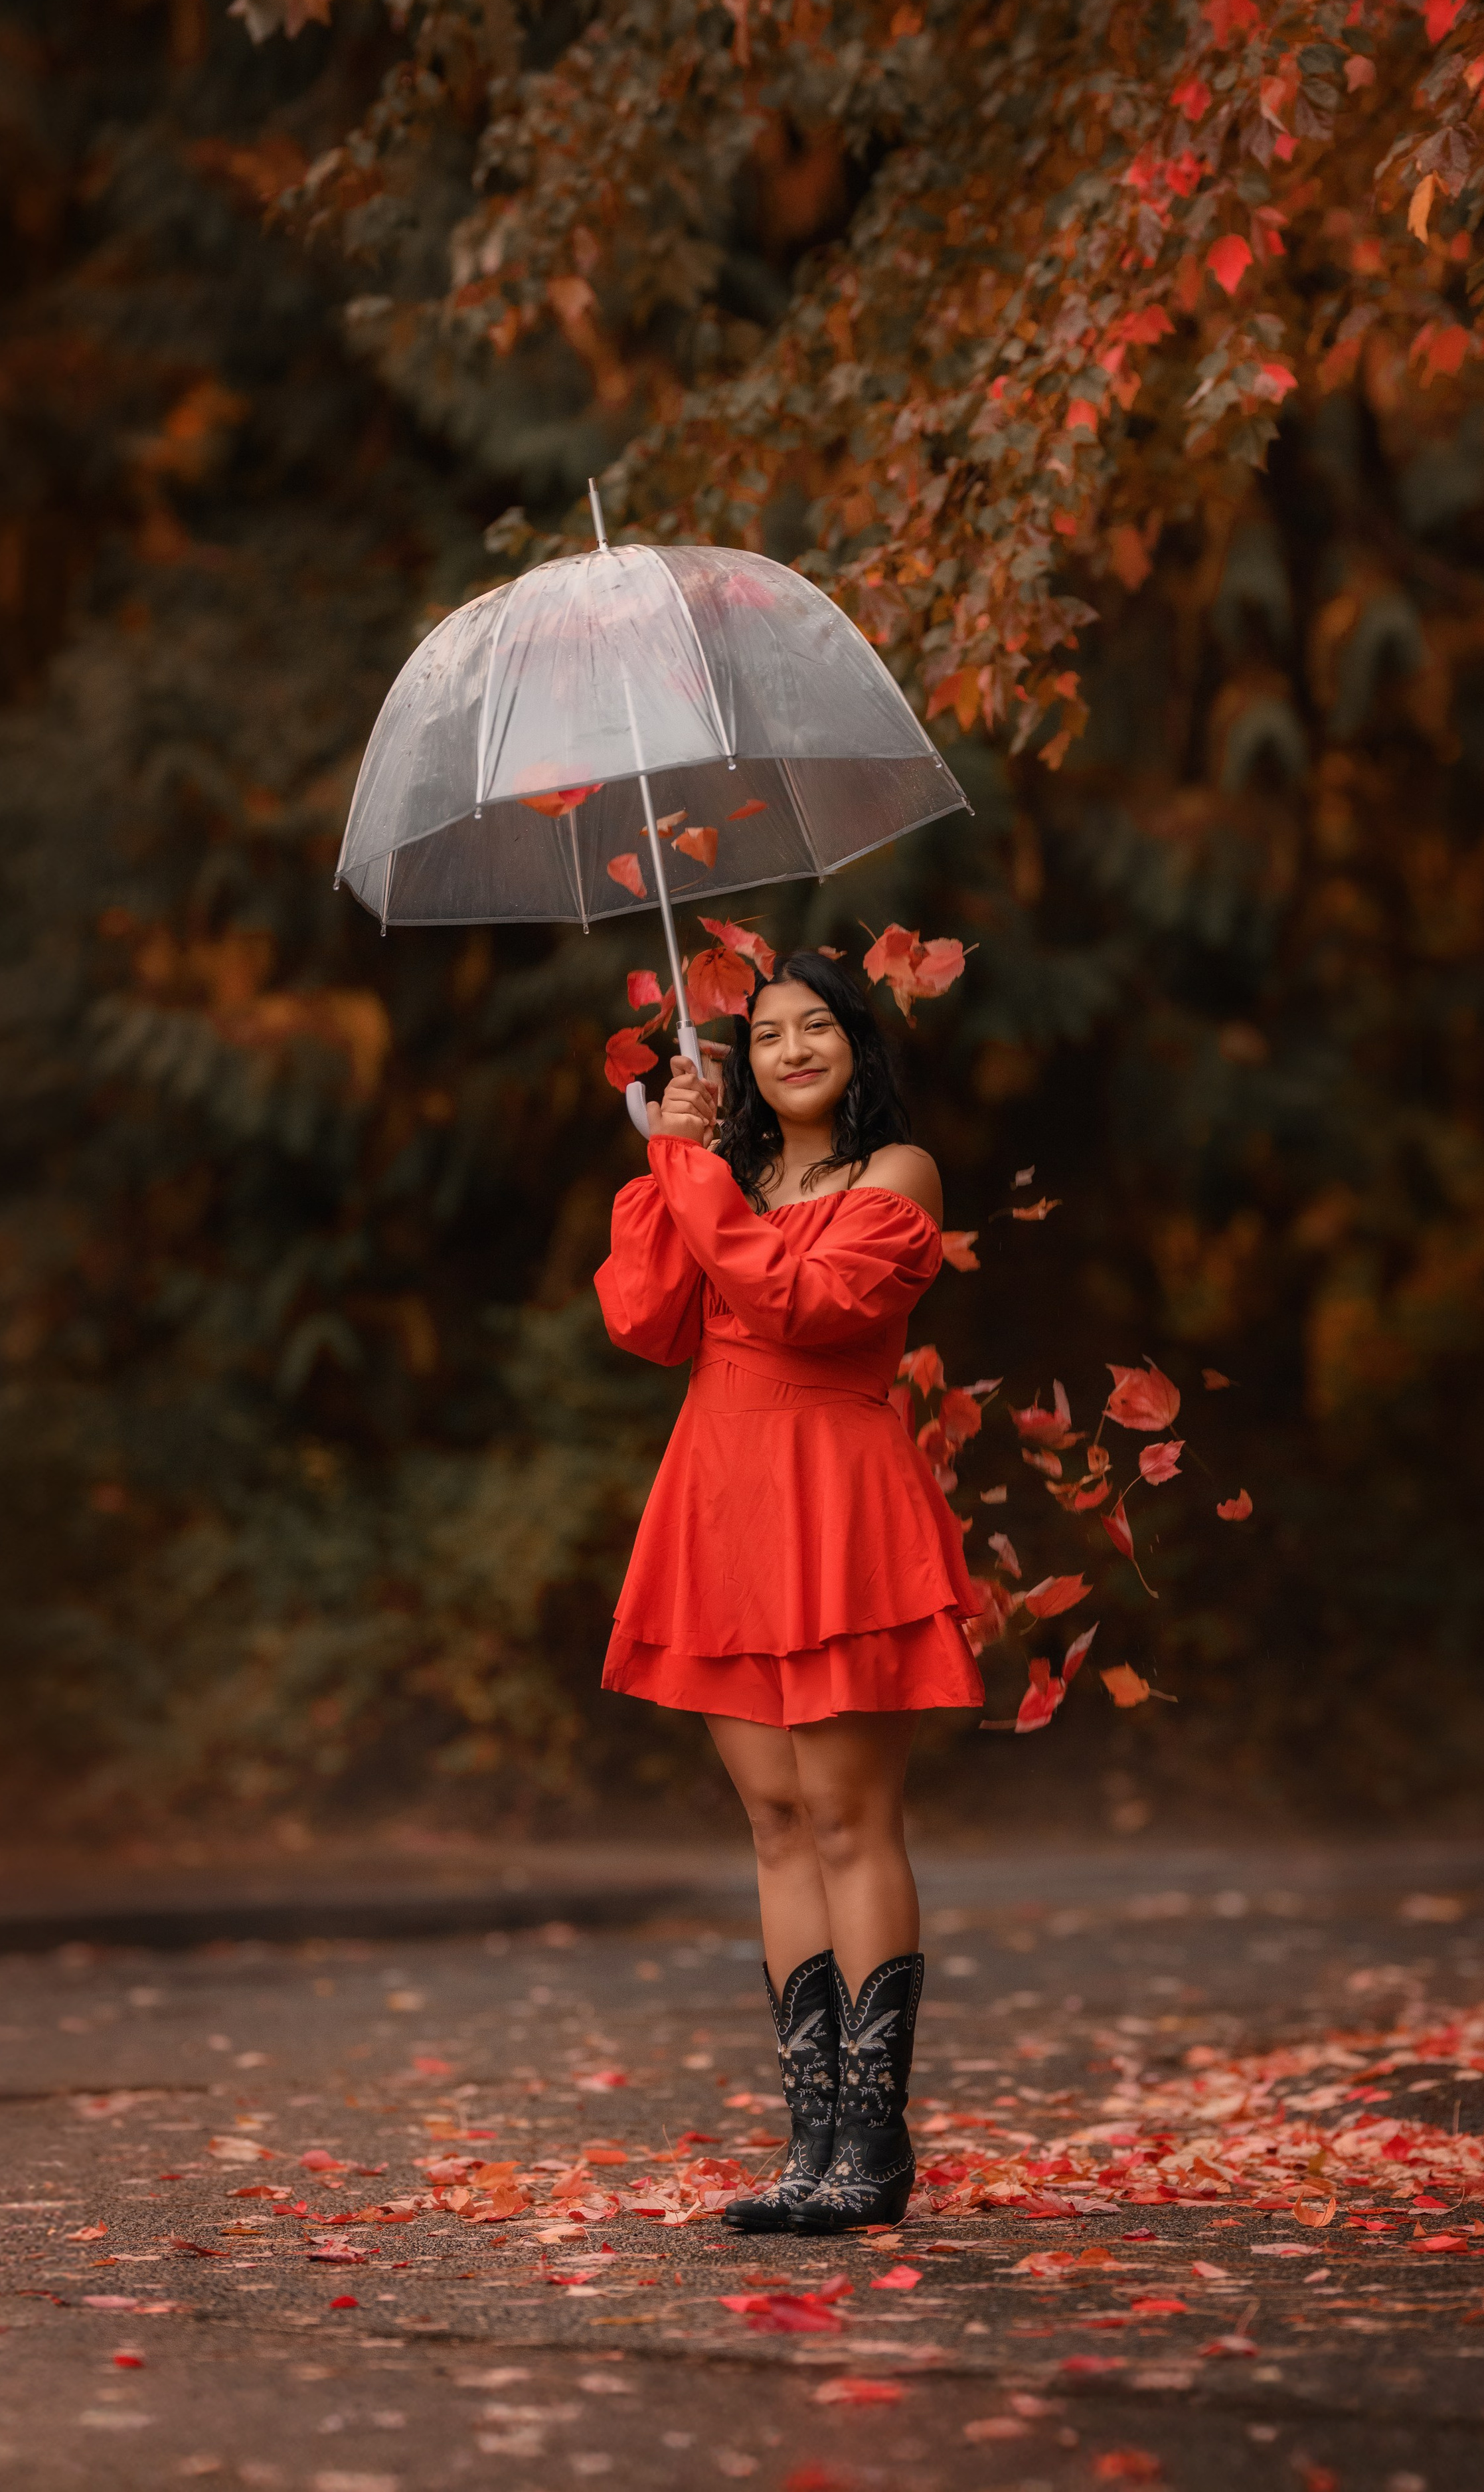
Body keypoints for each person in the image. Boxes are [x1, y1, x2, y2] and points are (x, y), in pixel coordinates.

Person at [592, 951, 982, 2233]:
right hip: (720, 1496)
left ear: (858, 1050)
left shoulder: (896, 1175)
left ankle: (874, 2148)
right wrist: (671, 1160)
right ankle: (812, 2144)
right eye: (767, 1035)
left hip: (837, 1493)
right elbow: (648, 1320)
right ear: (743, 1064)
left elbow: (799, 1305)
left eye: (819, 1027)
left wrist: (698, 1179)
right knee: (772, 1820)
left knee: (846, 1814)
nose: (793, 1049)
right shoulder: (726, 1175)